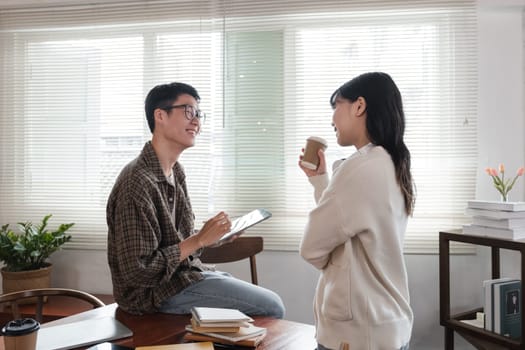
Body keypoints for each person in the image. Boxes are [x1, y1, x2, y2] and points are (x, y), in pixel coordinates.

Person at [107, 82, 285, 318]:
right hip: (152, 295)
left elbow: (179, 245)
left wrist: (212, 239)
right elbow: (138, 272)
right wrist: (199, 239)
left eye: (198, 114)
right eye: (188, 112)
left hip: (182, 276)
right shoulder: (137, 183)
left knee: (251, 296)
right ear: (160, 115)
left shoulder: (175, 171)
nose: (197, 122)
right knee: (272, 306)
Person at [298, 72, 414, 350]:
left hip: (357, 333)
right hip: (386, 326)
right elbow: (350, 221)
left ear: (359, 106)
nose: (332, 119)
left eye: (336, 106)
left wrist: (334, 261)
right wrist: (321, 181)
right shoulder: (390, 161)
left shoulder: (359, 168)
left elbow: (311, 247)